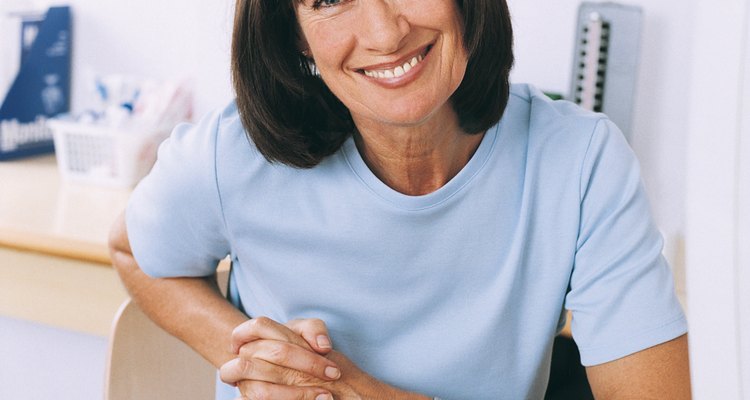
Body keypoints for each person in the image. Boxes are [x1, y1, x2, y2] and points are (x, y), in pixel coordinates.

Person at [109, 0, 692, 398]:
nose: (387, 33)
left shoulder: (581, 160)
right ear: (295, 36)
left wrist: (357, 389)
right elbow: (132, 250)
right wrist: (266, 364)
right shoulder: (230, 155)